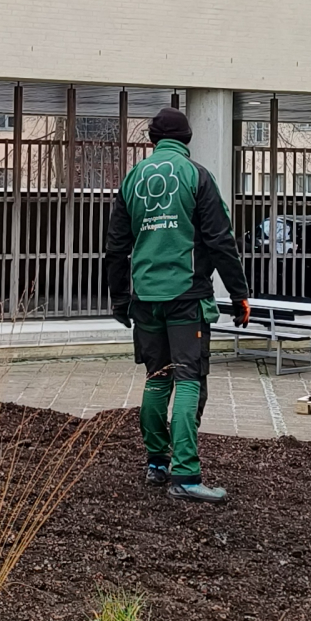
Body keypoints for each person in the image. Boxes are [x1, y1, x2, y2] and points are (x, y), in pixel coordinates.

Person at [104, 106, 251, 503]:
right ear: (187, 139)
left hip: (145, 298)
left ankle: (156, 462)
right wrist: (239, 294)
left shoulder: (133, 179)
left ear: (152, 140)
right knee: (188, 379)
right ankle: (186, 474)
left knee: (156, 377)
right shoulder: (197, 176)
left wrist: (120, 299)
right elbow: (221, 240)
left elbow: (116, 245)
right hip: (187, 297)